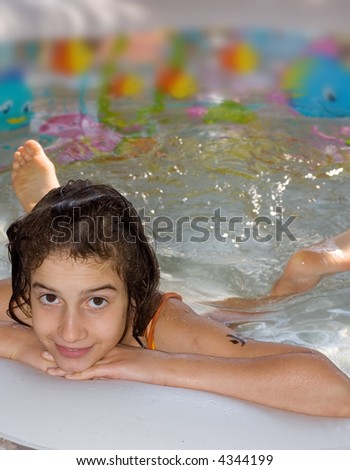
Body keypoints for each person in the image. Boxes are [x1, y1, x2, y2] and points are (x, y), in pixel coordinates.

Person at [0, 139, 349, 418]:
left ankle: (308, 265)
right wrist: (23, 344)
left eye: (97, 301)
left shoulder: (161, 326)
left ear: (132, 296)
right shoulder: (29, 300)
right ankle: (50, 210)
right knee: (70, 262)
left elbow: (335, 391)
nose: (69, 332)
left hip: (168, 324)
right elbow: (61, 283)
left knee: (251, 312)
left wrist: (159, 364)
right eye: (50, 298)